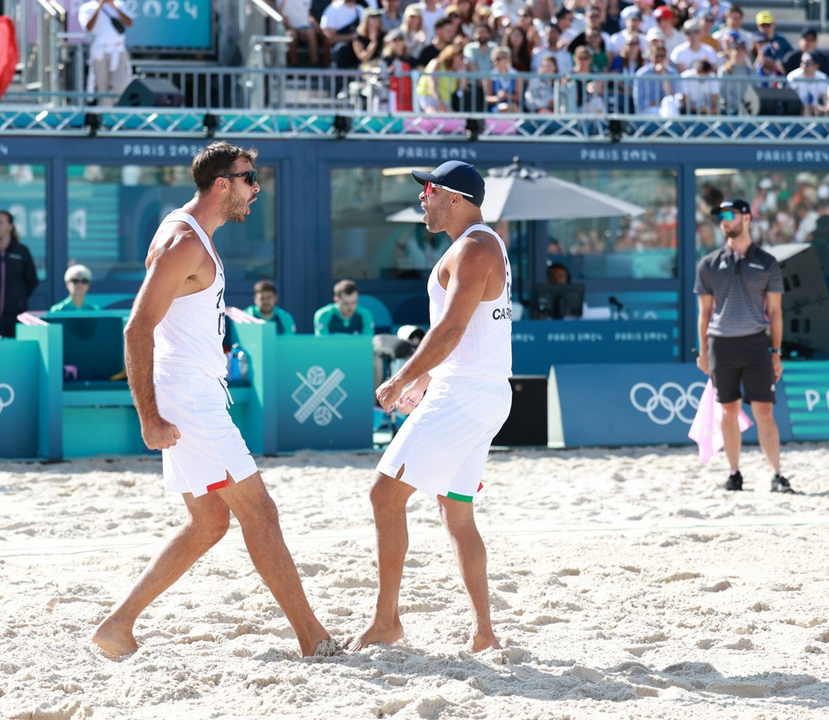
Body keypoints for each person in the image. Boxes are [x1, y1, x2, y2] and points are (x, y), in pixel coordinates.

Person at [90, 141, 337, 659]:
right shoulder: (184, 241)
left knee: (209, 522)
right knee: (261, 513)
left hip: (195, 392)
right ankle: (314, 639)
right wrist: (150, 417)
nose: (256, 190)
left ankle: (117, 626)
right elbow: (137, 329)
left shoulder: (187, 231)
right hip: (188, 400)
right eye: (250, 180)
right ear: (222, 183)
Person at [349, 161, 512, 653]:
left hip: (465, 393)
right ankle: (484, 632)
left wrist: (401, 378)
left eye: (430, 189)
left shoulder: (476, 247)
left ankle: (387, 622)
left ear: (456, 198)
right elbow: (461, 333)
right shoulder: (481, 244)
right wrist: (423, 378)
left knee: (384, 495)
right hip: (476, 390)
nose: (424, 197)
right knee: (457, 512)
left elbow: (450, 331)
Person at [694, 198, 795, 494]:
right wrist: (702, 351)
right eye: (720, 216)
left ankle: (776, 475)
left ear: (747, 218)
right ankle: (734, 473)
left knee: (765, 411)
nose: (723, 220)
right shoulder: (709, 264)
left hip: (755, 344)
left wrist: (776, 352)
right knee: (728, 411)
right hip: (720, 345)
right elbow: (704, 314)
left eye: (729, 214)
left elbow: (776, 313)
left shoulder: (766, 263)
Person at [0, 210, 39, 337]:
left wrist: (18, 298)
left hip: (15, 315)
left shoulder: (21, 251)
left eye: (1, 223)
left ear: (10, 226)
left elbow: (31, 280)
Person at [78, 0, 132, 107]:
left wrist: (114, 7)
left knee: (121, 84)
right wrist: (99, 7)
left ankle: (117, 114)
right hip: (100, 52)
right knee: (102, 87)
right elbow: (88, 27)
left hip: (118, 51)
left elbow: (129, 22)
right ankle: (105, 117)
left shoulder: (118, 4)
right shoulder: (87, 7)